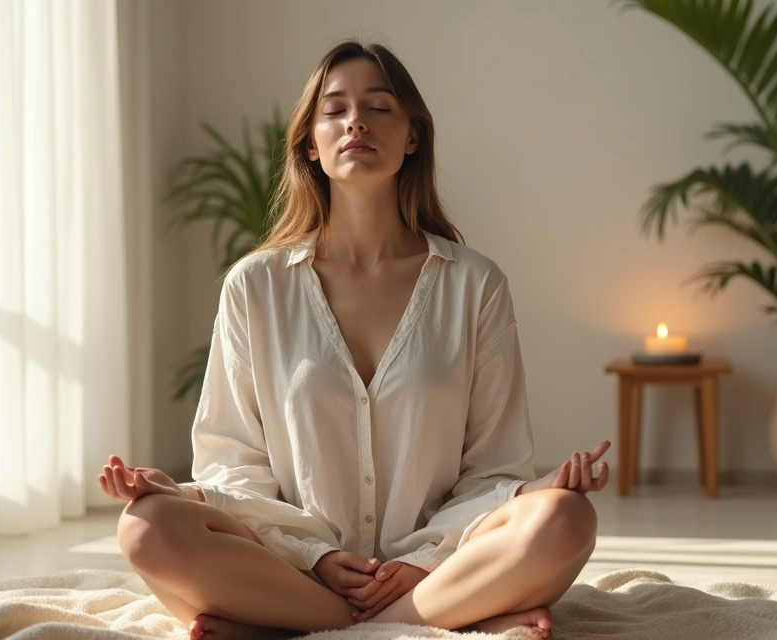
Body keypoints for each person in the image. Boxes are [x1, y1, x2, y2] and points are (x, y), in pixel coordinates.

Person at [98, 40, 610, 640]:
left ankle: (298, 628)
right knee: (146, 525)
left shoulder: (475, 285)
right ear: (310, 144)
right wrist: (304, 552)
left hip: (437, 568)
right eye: (335, 109)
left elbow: (488, 468)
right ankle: (432, 623)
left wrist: (449, 544)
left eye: (379, 106)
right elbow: (237, 465)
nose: (356, 122)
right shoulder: (255, 286)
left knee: (567, 519)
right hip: (292, 568)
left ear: (412, 136)